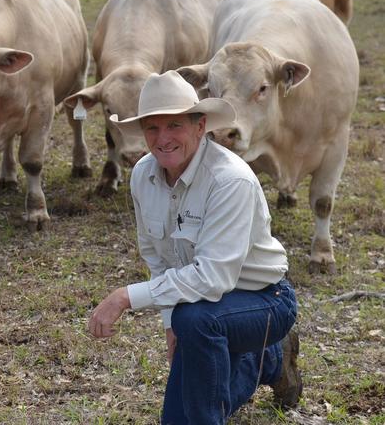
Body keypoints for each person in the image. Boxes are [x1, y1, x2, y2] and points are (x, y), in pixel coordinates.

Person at [87, 71, 302, 424]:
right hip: (201, 306)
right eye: (152, 128)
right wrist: (170, 323)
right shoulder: (143, 175)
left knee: (197, 324)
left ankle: (266, 346)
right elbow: (157, 256)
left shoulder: (229, 179)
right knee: (178, 413)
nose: (163, 139)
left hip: (263, 299)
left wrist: (124, 297)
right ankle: (269, 360)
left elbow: (214, 277)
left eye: (174, 126)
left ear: (200, 126)